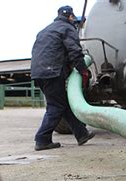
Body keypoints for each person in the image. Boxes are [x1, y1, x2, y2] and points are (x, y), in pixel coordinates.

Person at [31, 5, 94, 151]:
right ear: (71, 17)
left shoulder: (45, 30)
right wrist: (83, 71)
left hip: (38, 72)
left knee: (62, 104)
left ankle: (81, 134)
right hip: (53, 72)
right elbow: (75, 51)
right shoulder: (67, 28)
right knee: (56, 106)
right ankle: (42, 139)